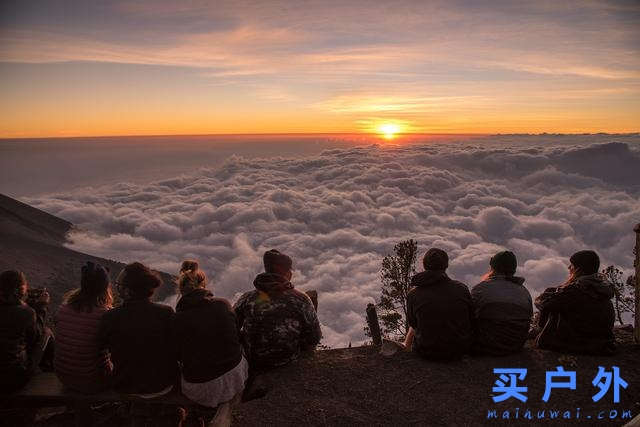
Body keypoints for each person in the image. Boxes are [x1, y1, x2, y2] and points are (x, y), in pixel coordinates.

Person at [172, 260, 248, 421]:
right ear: (204, 285)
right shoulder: (223, 304)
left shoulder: (176, 319)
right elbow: (236, 335)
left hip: (200, 388)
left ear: (181, 290)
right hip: (235, 378)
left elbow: (176, 356)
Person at [97, 262, 177, 396]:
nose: (116, 288)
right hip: (162, 385)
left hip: (125, 386)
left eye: (118, 285)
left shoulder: (110, 317)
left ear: (127, 291)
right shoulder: (166, 313)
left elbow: (101, 348)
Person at [234, 249, 321, 371]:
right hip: (288, 361)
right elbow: (314, 337)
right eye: (290, 269)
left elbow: (231, 329)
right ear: (284, 272)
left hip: (253, 361)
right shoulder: (301, 299)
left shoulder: (247, 298)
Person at [535, 250, 615, 355]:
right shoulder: (602, 288)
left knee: (553, 308)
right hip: (603, 342)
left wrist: (541, 300)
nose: (569, 268)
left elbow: (546, 306)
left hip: (579, 344)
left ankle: (538, 331)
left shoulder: (575, 291)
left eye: (572, 265)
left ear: (579, 269)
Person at [54, 262, 113, 393]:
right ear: (105, 287)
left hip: (63, 376)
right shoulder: (105, 315)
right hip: (92, 380)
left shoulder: (63, 308)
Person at [405, 248, 473, 360]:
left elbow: (413, 323)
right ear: (446, 265)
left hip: (427, 352)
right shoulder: (462, 289)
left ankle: (405, 348)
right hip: (459, 350)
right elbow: (471, 318)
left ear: (424, 265)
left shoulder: (414, 294)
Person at [470, 251, 533, 355]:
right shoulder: (524, 292)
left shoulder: (480, 289)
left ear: (493, 268)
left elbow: (469, 315)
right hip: (515, 345)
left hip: (485, 345)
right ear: (513, 269)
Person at [0, 270, 49, 393]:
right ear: (20, 289)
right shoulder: (26, 312)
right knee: (47, 333)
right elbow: (35, 337)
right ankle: (50, 371)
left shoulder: (24, 311)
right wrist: (42, 307)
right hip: (13, 379)